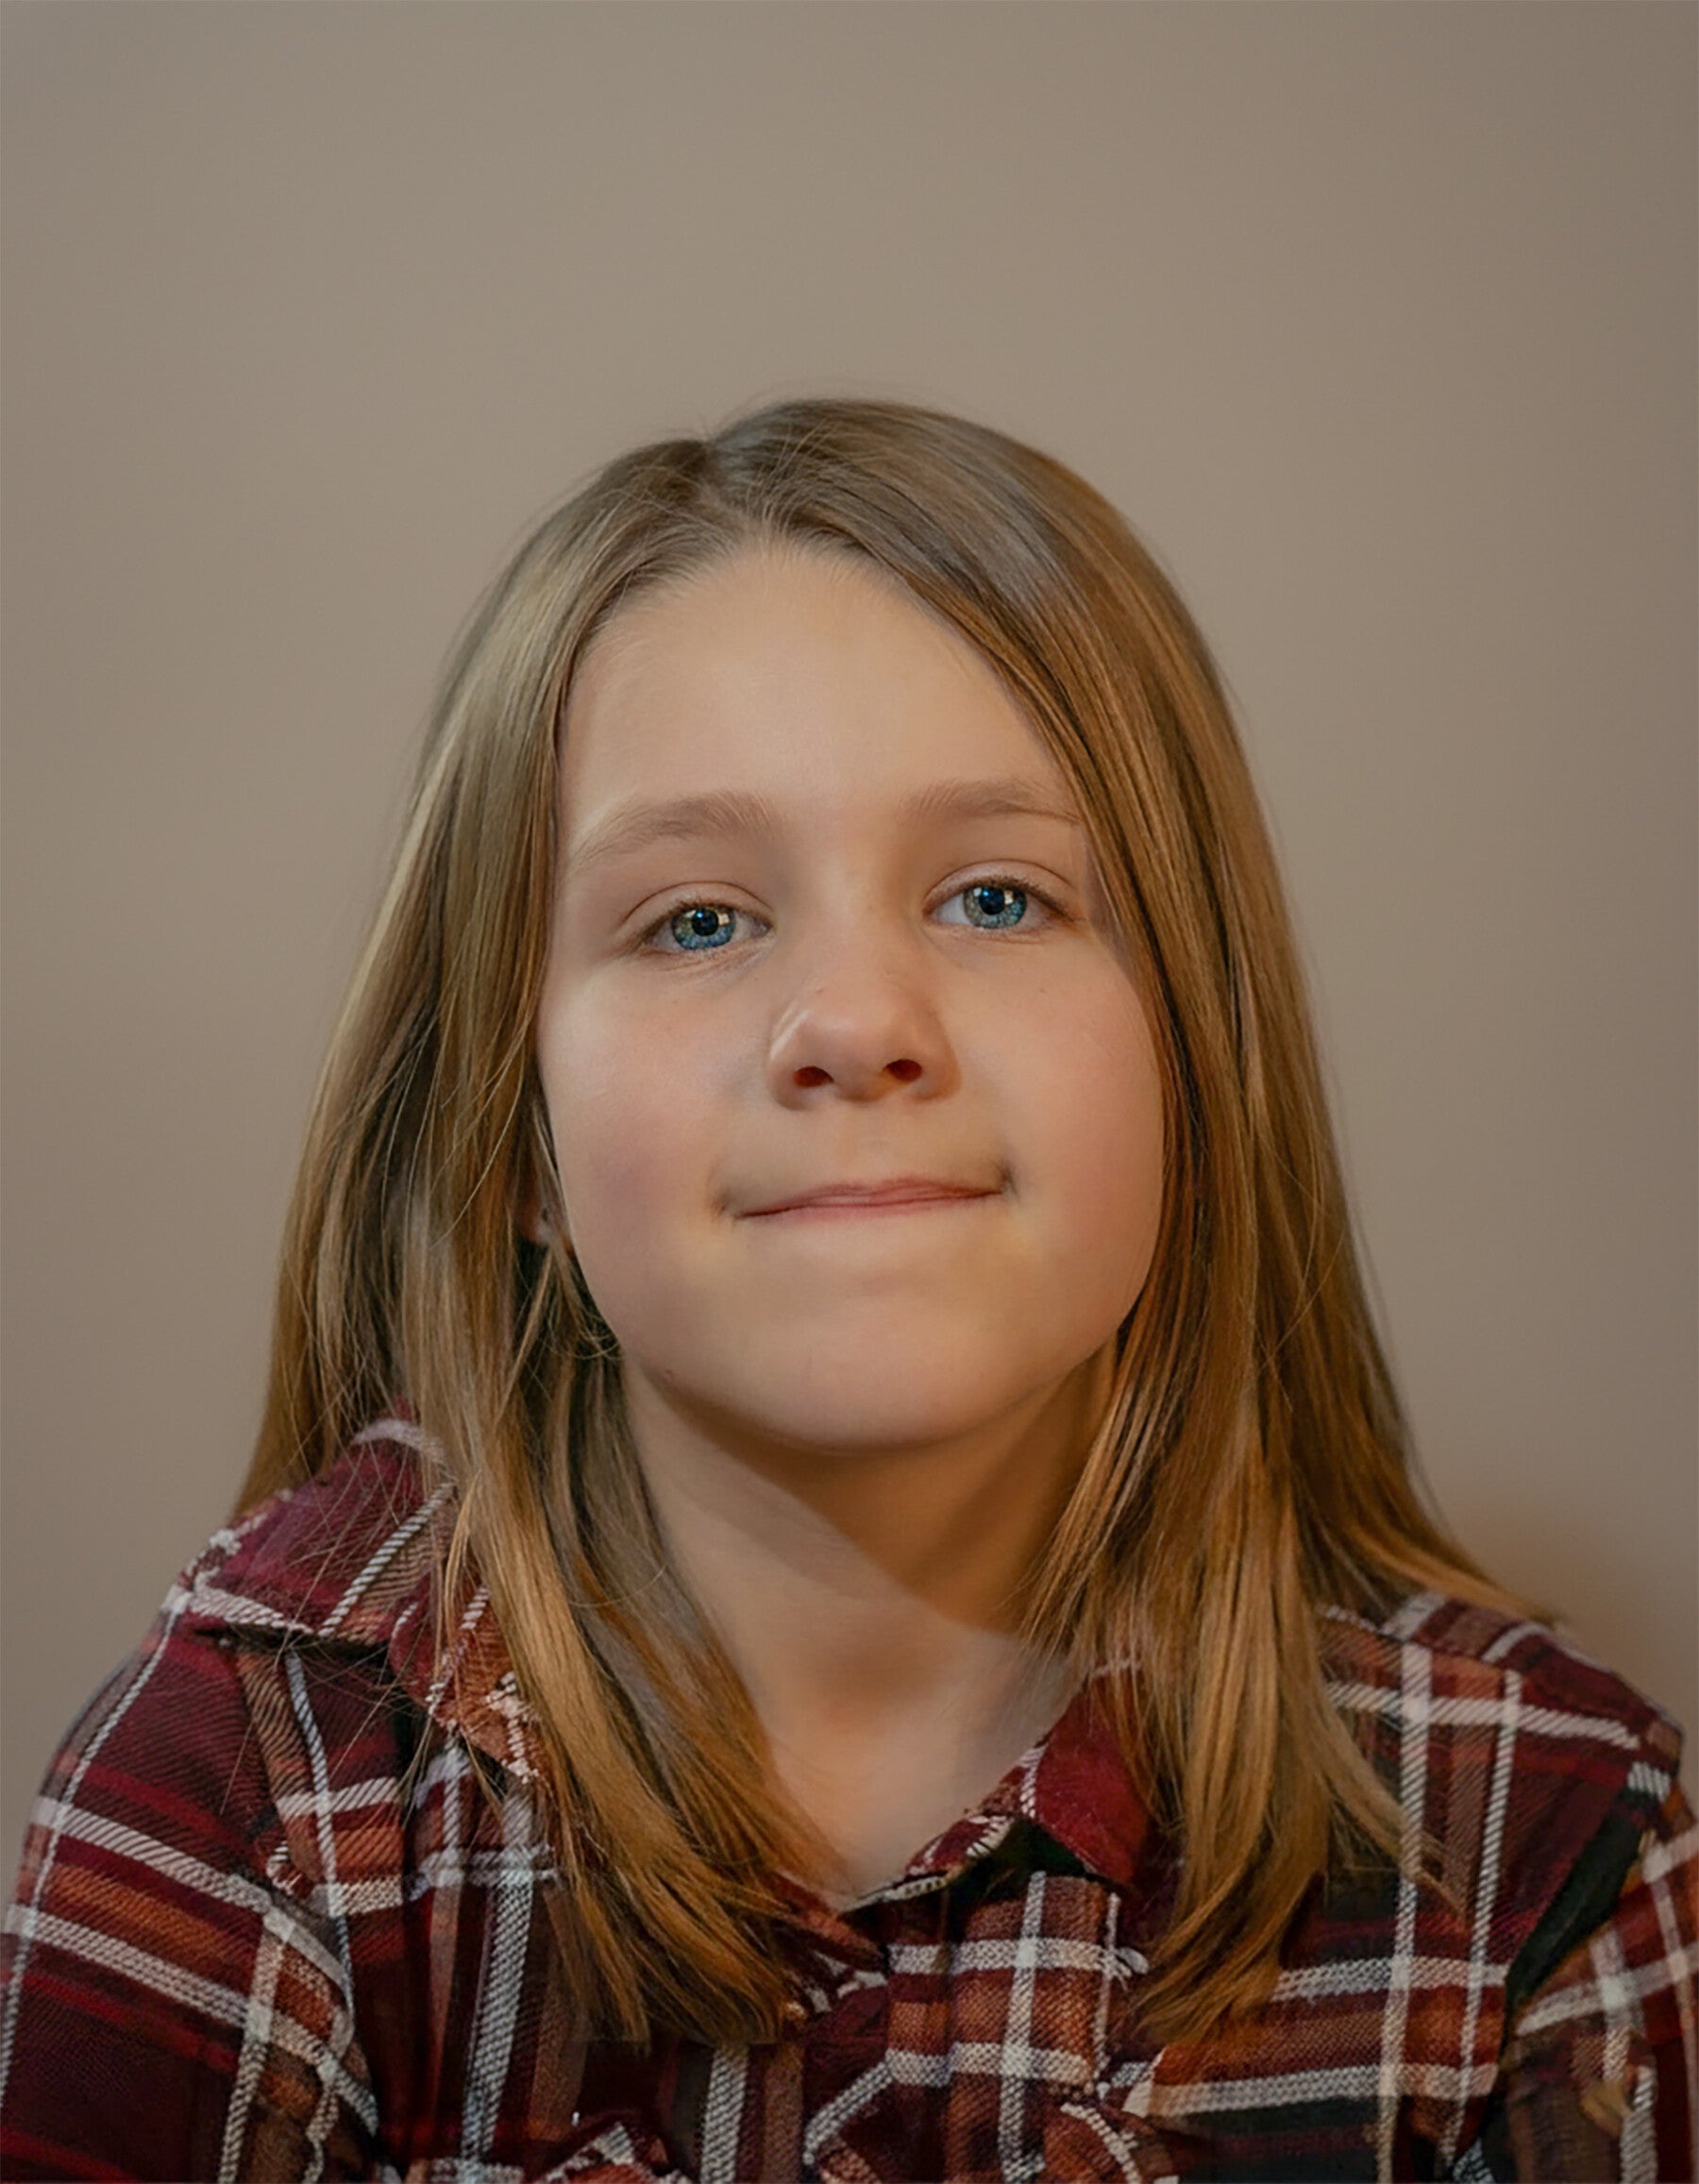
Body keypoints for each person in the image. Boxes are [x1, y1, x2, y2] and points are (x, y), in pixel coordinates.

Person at [0, 399, 1692, 2183]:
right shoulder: (248, 1801)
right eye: (698, 920)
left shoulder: (1545, 1855)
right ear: (513, 1138)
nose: (861, 1023)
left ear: (1195, 1061)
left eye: (996, 896)